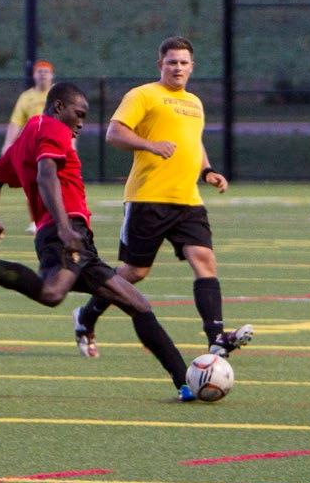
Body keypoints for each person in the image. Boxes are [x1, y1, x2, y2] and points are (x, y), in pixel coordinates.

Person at [0, 82, 196, 401]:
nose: (81, 123)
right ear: (59, 107)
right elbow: (46, 174)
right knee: (52, 293)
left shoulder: (26, 138)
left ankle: (185, 383)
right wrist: (65, 228)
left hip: (70, 238)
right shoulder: (52, 127)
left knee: (137, 304)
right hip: (65, 231)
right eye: (79, 114)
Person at [72, 36, 252, 360]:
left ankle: (216, 338)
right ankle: (86, 316)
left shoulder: (195, 103)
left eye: (183, 62)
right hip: (148, 198)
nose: (178, 68)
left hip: (188, 200)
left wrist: (208, 171)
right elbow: (114, 132)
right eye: (172, 62)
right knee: (134, 272)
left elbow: (193, 142)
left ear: (192, 66)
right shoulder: (143, 95)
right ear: (160, 65)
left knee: (204, 259)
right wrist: (150, 145)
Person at [1, 59, 55, 155]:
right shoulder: (26, 97)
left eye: (46, 72)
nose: (43, 74)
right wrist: (8, 144)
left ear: (52, 75)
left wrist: (71, 145)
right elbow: (16, 122)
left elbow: (70, 122)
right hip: (32, 145)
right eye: (39, 71)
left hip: (54, 143)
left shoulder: (59, 93)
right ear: (34, 75)